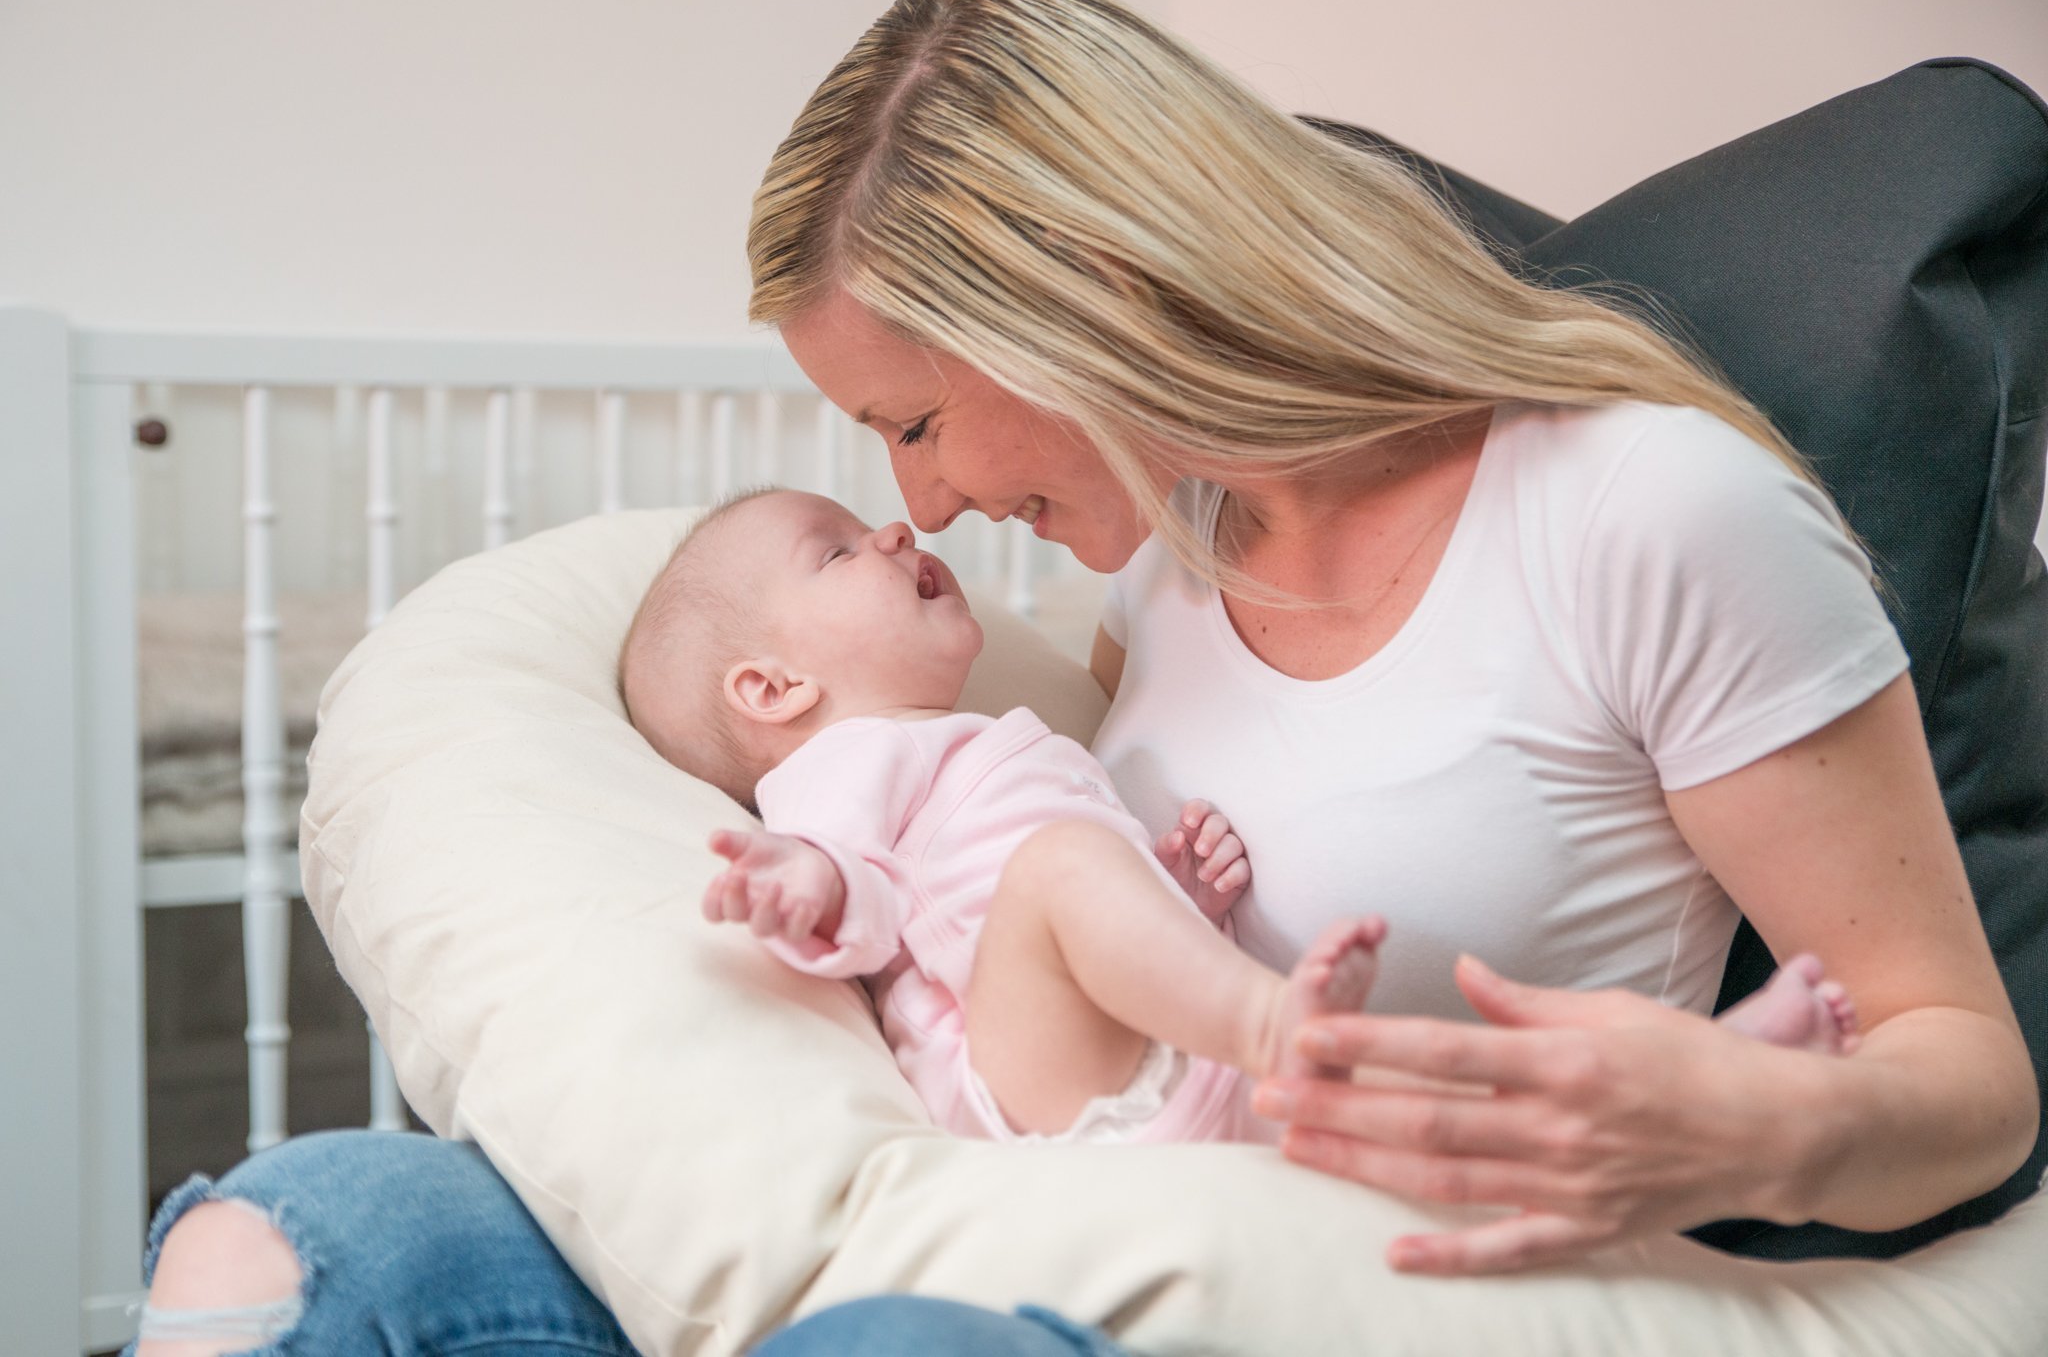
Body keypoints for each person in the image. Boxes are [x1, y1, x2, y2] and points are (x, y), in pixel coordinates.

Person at [124, 0, 2039, 1353]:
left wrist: (1757, 1123)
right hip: (1088, 1203)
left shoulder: (1646, 512)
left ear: (1093, 292)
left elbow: (1965, 1078)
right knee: (311, 1229)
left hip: (1343, 1288)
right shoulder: (1172, 556)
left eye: (917, 421)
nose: (923, 503)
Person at [619, 486, 1860, 1146]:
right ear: (772, 689)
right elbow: (868, 882)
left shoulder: (972, 741)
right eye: (836, 550)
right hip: (1027, 1089)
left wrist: (1179, 896)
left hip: (1156, 1066)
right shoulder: (839, 765)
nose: (894, 520)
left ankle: (1720, 1080)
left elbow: (1077, 920)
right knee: (1059, 865)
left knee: (1429, 1122)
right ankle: (1278, 1020)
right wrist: (804, 879)